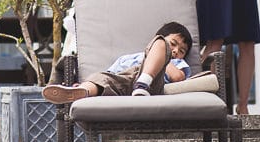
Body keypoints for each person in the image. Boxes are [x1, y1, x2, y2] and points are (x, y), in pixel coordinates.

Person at [42, 21, 192, 103]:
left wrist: (164, 57)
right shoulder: (129, 58)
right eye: (173, 44)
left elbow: (178, 77)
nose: (176, 51)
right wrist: (91, 83)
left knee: (161, 45)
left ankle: (143, 83)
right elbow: (108, 75)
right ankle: (81, 91)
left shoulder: (177, 63)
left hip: (153, 84)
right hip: (123, 83)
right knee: (101, 78)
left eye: (182, 51)